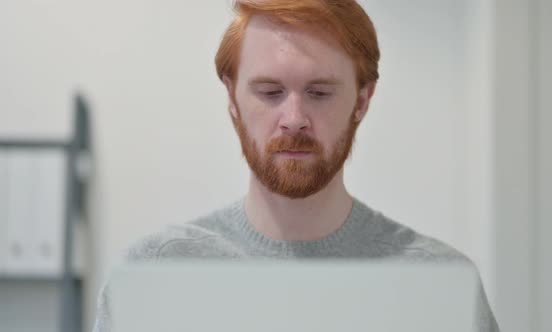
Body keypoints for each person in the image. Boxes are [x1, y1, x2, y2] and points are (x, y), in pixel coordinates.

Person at [92, 1, 500, 331]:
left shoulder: (436, 287)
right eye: (270, 92)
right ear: (232, 97)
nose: (294, 118)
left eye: (319, 92)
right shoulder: (157, 275)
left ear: (362, 99)